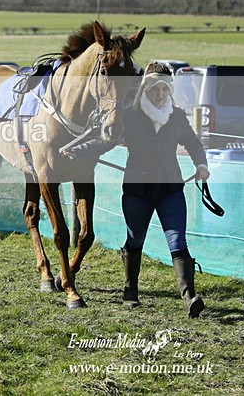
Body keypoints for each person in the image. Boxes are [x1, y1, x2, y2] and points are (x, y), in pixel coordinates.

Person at [64, 62, 210, 318]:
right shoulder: (130, 116)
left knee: (178, 242)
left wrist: (201, 164)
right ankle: (130, 291)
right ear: (145, 89)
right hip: (137, 192)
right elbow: (104, 142)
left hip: (170, 190)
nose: (160, 95)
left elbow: (194, 144)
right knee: (135, 241)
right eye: (156, 90)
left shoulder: (176, 116)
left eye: (165, 90)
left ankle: (189, 298)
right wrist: (78, 150)